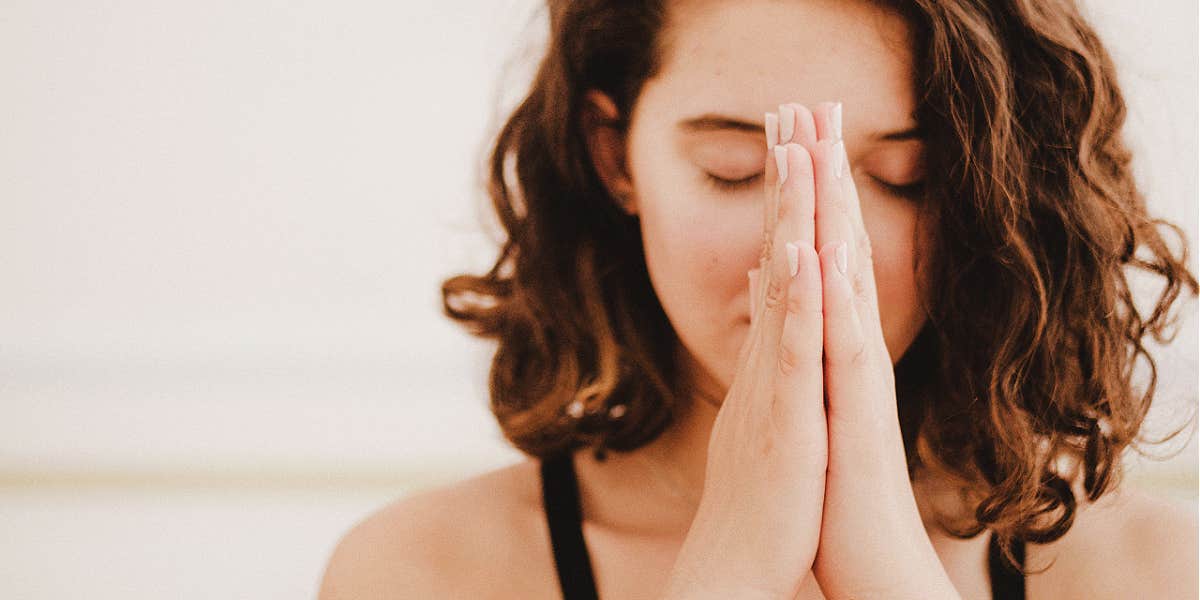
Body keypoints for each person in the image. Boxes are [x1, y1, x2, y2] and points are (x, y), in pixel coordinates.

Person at [319, 0, 1198, 598]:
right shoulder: (423, 572)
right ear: (613, 153)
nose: (813, 247)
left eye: (903, 177)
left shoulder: (1151, 573)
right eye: (737, 171)